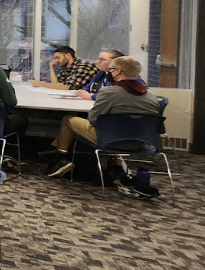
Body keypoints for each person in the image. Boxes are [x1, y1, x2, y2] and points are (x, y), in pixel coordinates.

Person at [44, 56, 162, 195]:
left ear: (118, 71)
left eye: (110, 70)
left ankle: (61, 157)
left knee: (69, 120)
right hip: (141, 142)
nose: (108, 73)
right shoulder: (151, 96)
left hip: (109, 140)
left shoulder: (109, 92)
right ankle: (116, 165)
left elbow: (93, 119)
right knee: (120, 129)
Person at [33, 46, 98, 90]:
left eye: (58, 58)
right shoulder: (67, 67)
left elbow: (67, 87)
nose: (56, 61)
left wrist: (41, 84)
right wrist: (51, 66)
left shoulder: (84, 66)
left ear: (68, 56)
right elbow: (55, 83)